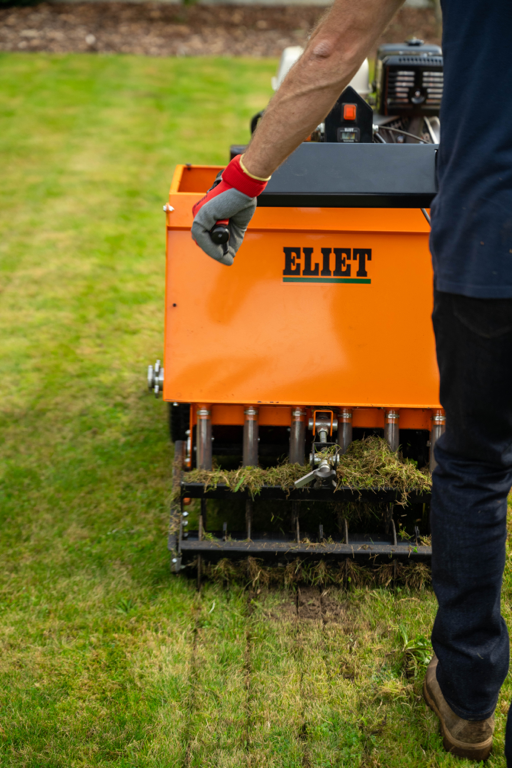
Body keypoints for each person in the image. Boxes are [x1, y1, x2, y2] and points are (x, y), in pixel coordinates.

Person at [191, 0, 512, 762]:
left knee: (474, 463)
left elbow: (336, 47)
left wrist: (247, 173)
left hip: (490, 245)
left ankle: (468, 698)